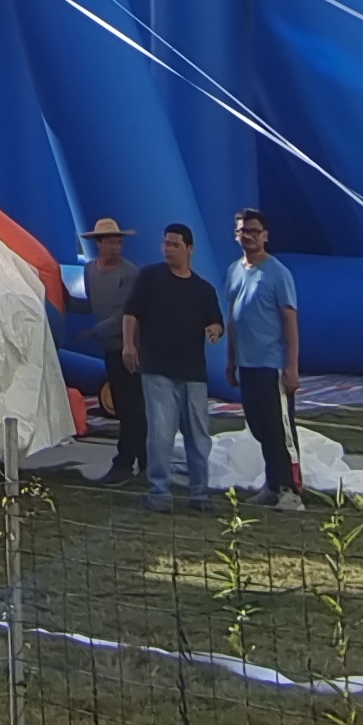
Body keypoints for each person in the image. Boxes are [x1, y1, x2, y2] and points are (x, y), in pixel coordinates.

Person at [120, 221, 227, 511]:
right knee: (161, 432)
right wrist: (129, 345)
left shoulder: (202, 289)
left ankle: (200, 494)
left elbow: (216, 320)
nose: (168, 249)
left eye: (175, 244)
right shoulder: (150, 277)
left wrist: (216, 330)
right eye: (165, 243)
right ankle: (159, 491)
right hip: (157, 369)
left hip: (193, 372)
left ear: (189, 249)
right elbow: (131, 313)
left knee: (198, 435)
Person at [223, 208, 306, 512]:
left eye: (254, 231)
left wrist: (292, 366)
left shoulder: (277, 273)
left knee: (279, 428)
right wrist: (231, 360)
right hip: (248, 364)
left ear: (265, 235)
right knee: (259, 426)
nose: (249, 236)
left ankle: (291, 489)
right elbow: (233, 319)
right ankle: (272, 484)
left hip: (272, 365)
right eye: (243, 231)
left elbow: (290, 321)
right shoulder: (234, 270)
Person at [77, 218, 146, 482]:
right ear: (99, 244)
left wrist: (94, 331)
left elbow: (126, 313)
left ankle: (129, 460)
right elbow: (92, 305)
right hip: (109, 348)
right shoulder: (90, 271)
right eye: (110, 242)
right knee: (124, 405)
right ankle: (136, 456)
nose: (115, 247)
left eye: (118, 242)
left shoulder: (129, 273)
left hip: (130, 347)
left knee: (132, 406)